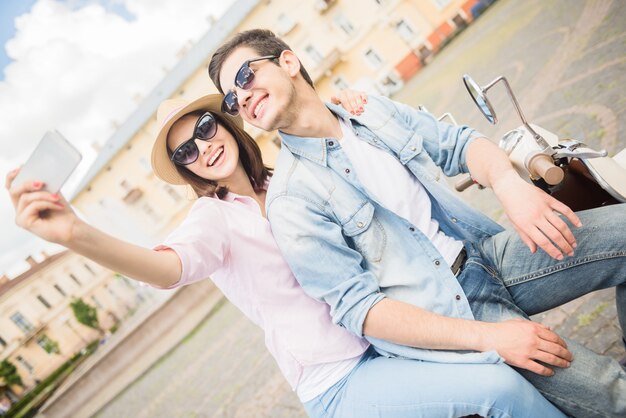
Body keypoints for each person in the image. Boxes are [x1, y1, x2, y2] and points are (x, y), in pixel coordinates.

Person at [6, 94, 564, 418]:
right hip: (342, 377)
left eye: (204, 128)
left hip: (393, 333)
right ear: (185, 171)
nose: (202, 147)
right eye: (185, 152)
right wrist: (77, 234)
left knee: (503, 368)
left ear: (224, 123)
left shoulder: (294, 176)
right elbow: (167, 268)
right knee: (498, 386)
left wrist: (345, 112)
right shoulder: (213, 221)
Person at [208, 28, 626, 418]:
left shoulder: (370, 111)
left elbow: (459, 144)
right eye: (231, 99)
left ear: (288, 62)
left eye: (245, 76)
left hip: (487, 256)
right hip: (453, 313)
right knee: (611, 392)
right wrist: (492, 340)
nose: (241, 97)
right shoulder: (290, 200)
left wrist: (506, 183)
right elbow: (362, 312)